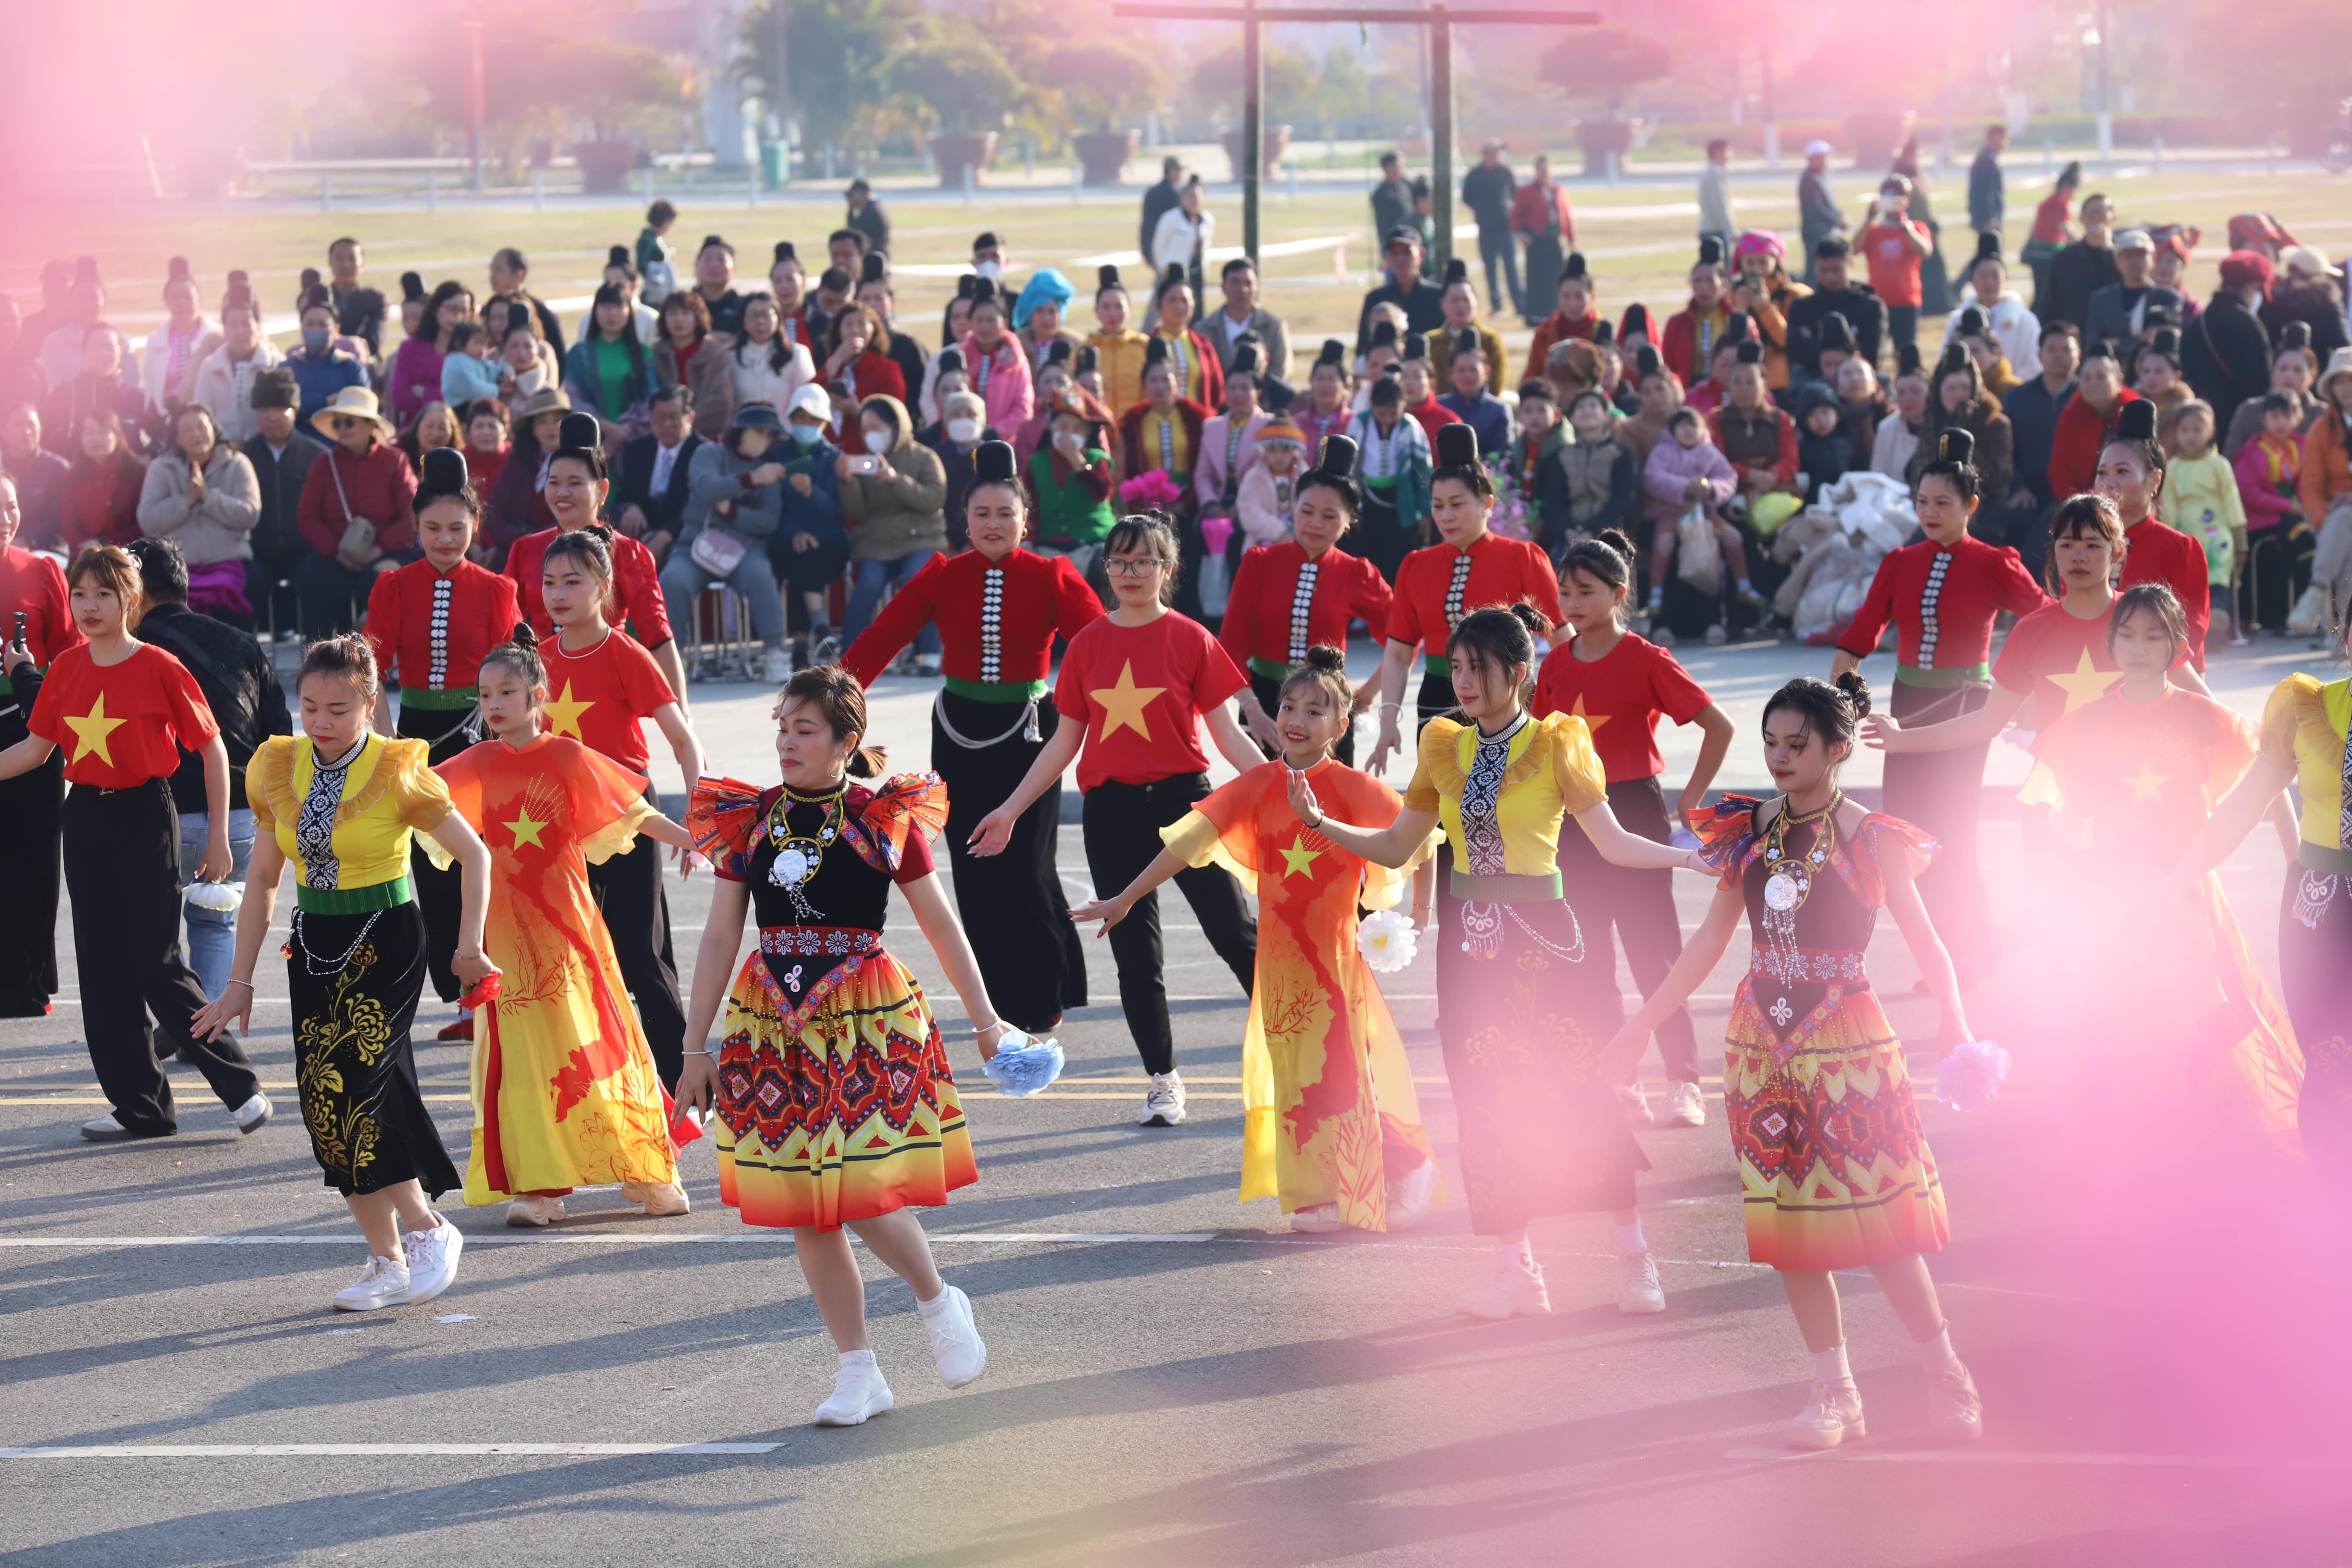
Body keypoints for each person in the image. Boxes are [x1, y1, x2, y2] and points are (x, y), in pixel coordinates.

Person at [1615, 673, 1984, 1449]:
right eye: (1771, 743)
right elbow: (1710, 943)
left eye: (1796, 744)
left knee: (1884, 1227)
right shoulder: (1746, 828)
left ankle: (1945, 1370)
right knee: (1791, 1229)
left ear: (1837, 748)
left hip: (1849, 1043)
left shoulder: (1872, 836)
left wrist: (1957, 1015)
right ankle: (1835, 1394)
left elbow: (1926, 937)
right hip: (1761, 1046)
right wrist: (1641, 1028)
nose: (1779, 757)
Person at [1301, 602, 1700, 1314]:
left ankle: (1634, 1255)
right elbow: (1399, 845)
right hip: (1470, 947)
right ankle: (1517, 1268)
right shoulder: (1441, 745)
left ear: (1519, 673)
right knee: (1485, 1100)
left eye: (1477, 667)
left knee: (1580, 1090)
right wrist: (1323, 824)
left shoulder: (1556, 743)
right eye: (1455, 666)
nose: (1462, 680)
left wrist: (1691, 860)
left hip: (1548, 940)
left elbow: (1611, 843)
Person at [676, 668, 997, 1425]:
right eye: (782, 728)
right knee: (805, 1206)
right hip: (772, 1021)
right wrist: (695, 1046)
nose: (787, 742)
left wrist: (987, 1020)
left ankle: (937, 1299)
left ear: (847, 742)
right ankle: (859, 1370)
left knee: (856, 1186)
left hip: (866, 1018)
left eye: (805, 730)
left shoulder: (885, 816)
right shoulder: (747, 819)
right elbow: (722, 934)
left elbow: (943, 923)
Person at [1075, 643, 1440, 1233]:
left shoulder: (1352, 789)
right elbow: (1185, 845)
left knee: (1336, 1074)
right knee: (1295, 1077)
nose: (1297, 720)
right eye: (1288, 706)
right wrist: (1126, 897)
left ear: (1340, 726)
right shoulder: (1258, 784)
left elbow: (1421, 839)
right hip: (1279, 964)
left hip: (1334, 962)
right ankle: (1315, 1194)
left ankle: (1406, 1164)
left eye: (1315, 712)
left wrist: (1416, 918)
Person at [192, 632, 490, 1309]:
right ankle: (386, 1261)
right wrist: (239, 981)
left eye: (338, 710)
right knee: (324, 1105)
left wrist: (467, 946)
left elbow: (476, 856)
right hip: (316, 940)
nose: (321, 723)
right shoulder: (277, 765)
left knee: (357, 1090)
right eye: (310, 706)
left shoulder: (397, 768)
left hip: (388, 938)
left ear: (369, 703)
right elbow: (264, 878)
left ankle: (426, 1229)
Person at [969, 513, 1260, 1126]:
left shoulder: (1190, 638)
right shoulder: (1090, 645)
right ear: (1107, 570)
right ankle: (1162, 1081)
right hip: (1111, 814)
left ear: (1167, 569)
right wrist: (1010, 810)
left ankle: (1297, 1051)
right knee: (1135, 954)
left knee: (1235, 933)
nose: (1132, 573)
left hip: (1188, 805)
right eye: (1121, 562)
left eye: (1145, 561)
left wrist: (1283, 789)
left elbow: (1228, 736)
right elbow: (1062, 744)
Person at [2029, 584, 2303, 1170]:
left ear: (2179, 644)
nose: (2139, 646)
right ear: (2109, 641)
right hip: (2110, 890)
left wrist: (2295, 855)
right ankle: (2127, 1145)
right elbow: (2067, 813)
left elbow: (2263, 785)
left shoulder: (2208, 719)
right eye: (2127, 633)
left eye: (2155, 635)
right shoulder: (2087, 722)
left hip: (2184, 886)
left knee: (2198, 1011)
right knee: (2117, 1012)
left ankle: (2207, 1147)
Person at [0, 544, 269, 1142]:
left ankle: (240, 1086)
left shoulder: (160, 665)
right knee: (102, 970)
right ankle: (142, 1107)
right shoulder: (66, 667)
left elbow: (213, 749)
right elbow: (35, 750)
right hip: (87, 820)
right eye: (81, 595)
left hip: (148, 815)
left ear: (133, 600)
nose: (90, 606)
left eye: (104, 594)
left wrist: (221, 835)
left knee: (157, 962)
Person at [432, 626, 692, 1223]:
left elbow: (638, 813)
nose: (494, 704)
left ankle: (650, 1170)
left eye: (507, 692)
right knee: (524, 1060)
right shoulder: (477, 762)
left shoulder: (568, 755)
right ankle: (539, 1188)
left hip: (568, 931)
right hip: (506, 939)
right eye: (485, 694)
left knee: (601, 1043)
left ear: (538, 696)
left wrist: (699, 840)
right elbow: (414, 797)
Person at [841, 440, 1102, 1031]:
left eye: (1005, 514)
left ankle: (1045, 994)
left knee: (1028, 867)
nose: (993, 524)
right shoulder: (942, 574)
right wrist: (837, 696)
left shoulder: (1050, 575)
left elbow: (1099, 645)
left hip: (1030, 734)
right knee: (974, 867)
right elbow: (884, 638)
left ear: (1025, 521)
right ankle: (997, 1002)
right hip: (958, 733)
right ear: (965, 520)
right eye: (981, 514)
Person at [1530, 531, 1732, 1128]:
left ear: (1618, 594)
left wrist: (1691, 800)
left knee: (1655, 957)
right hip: (1574, 821)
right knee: (1587, 960)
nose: (1571, 602)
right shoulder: (1556, 664)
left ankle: (1683, 1083)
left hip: (1636, 811)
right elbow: (1540, 746)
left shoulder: (1646, 657)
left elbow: (1717, 726)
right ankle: (1618, 1082)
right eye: (1564, 592)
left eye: (1585, 592)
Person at [1833, 428, 2046, 983]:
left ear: (1971, 507)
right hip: (1905, 709)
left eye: (1943, 503)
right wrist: (1846, 701)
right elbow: (1857, 639)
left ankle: (1973, 955)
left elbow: (2045, 620)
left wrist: (2019, 691)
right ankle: (1943, 958)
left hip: (1966, 708)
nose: (1929, 512)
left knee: (1954, 841)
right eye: (1922, 502)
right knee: (1906, 844)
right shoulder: (1900, 562)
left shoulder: (1995, 562)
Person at [2168, 605, 2352, 1173]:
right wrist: (2175, 879)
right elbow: (2245, 803)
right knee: (2329, 1063)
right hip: (2319, 911)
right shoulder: (2308, 705)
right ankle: (2331, 1201)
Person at [536, 519, 706, 1093]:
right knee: (571, 957)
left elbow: (683, 740)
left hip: (627, 817)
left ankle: (688, 1081)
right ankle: (593, 1081)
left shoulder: (627, 654)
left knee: (638, 952)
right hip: (561, 824)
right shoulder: (536, 659)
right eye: (550, 583)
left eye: (573, 581)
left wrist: (698, 821)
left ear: (604, 585)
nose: (559, 594)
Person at [363, 448, 523, 1027]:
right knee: (430, 870)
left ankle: (491, 985)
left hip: (481, 737)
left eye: (457, 528)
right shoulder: (393, 586)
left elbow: (512, 674)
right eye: (432, 528)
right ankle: (460, 995)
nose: (445, 539)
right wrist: (389, 745)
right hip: (416, 739)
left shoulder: (498, 589)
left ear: (476, 526)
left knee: (486, 863)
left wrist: (504, 733)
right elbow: (371, 674)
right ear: (415, 528)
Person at [122, 536, 286, 1002]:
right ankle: (209, 1029)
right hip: (237, 814)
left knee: (149, 934)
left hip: (158, 811)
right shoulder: (241, 642)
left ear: (136, 593)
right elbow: (278, 732)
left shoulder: (130, 651)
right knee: (216, 926)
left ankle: (171, 1021)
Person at [1367, 421, 1565, 767]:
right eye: (1438, 505)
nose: (1446, 516)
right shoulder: (1416, 565)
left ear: (1487, 503)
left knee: (1509, 809)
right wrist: (1388, 723)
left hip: (1507, 703)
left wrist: (1565, 711)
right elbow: (1399, 654)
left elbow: (1563, 639)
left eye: (1457, 504)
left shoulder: (1523, 557)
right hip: (1437, 702)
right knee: (1444, 813)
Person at [1220, 435, 1390, 768]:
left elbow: (1404, 637)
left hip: (1329, 708)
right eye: (1307, 511)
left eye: (1329, 516)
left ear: (1348, 521)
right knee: (1265, 809)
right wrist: (1252, 709)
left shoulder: (1356, 572)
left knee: (1332, 811)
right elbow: (1230, 646)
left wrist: (1368, 694)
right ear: (1293, 508)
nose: (1315, 523)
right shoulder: (1260, 562)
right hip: (1265, 706)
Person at [504, 410, 685, 695]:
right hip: (541, 695)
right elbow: (506, 634)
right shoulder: (526, 550)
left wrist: (683, 721)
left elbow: (658, 637)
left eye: (575, 484)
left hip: (608, 690)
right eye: (554, 482)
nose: (562, 492)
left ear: (602, 490)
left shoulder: (628, 553)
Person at [0, 475, 78, 1015]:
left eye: (12, 504)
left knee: (35, 858)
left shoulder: (44, 568)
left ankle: (26, 982)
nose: (6, 515)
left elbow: (72, 650)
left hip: (34, 728)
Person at [2099, 399, 2214, 668]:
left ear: (2155, 480)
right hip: (2094, 673)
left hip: (2167, 678)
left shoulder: (2180, 548)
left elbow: (2192, 629)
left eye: (2123, 472)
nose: (2108, 482)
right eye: (2102, 473)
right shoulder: (2085, 546)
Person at [292, 386, 412, 634]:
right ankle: (319, 659)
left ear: (371, 426)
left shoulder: (395, 460)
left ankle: (378, 662)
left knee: (382, 580)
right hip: (335, 552)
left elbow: (413, 514)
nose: (342, 428)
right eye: (338, 423)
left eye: (349, 422)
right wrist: (338, 552)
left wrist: (379, 549)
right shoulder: (323, 464)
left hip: (385, 550)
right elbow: (307, 517)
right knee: (317, 581)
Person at [838, 393, 948, 662]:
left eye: (876, 427)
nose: (870, 435)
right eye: (865, 429)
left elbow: (934, 500)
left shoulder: (925, 457)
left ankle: (931, 652)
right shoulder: (867, 462)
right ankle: (849, 657)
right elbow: (856, 513)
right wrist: (848, 483)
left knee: (919, 579)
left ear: (896, 425)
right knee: (868, 585)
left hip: (922, 538)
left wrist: (896, 480)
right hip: (879, 543)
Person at [136, 403, 259, 628]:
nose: (196, 434)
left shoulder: (238, 464)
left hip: (228, 561)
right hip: (178, 566)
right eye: (188, 430)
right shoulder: (161, 468)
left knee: (228, 605)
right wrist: (187, 502)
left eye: (202, 427)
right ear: (177, 438)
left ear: (214, 430)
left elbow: (250, 514)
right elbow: (148, 520)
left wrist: (209, 498)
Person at [1641, 406, 1747, 645]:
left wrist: (1711, 489)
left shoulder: (1710, 453)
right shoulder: (1663, 452)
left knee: (1730, 539)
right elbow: (1653, 478)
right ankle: (1659, 610)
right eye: (1682, 426)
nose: (1688, 431)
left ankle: (1738, 593)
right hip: (1669, 513)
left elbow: (1728, 478)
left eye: (1693, 425)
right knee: (1665, 545)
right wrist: (1685, 487)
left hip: (1705, 516)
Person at [241, 371, 323, 637]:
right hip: (258, 553)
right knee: (246, 583)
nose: (273, 417)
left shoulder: (317, 456)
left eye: (280, 409)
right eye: (265, 410)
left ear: (296, 411)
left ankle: (320, 657)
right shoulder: (243, 457)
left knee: (320, 580)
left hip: (305, 550)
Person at [2161, 401, 2246, 638]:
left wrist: (2241, 542)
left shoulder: (2220, 465)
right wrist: (2169, 538)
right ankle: (2193, 629)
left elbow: (2232, 503)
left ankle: (2218, 623)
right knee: (2189, 584)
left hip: (2219, 537)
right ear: (2176, 433)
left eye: (2197, 430)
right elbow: (2169, 507)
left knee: (2218, 581)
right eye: (2185, 430)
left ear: (2210, 431)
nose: (2191, 436)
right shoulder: (2173, 469)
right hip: (2186, 537)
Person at [1908, 345, 2015, 523]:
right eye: (1951, 388)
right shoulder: (1932, 424)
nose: (1959, 395)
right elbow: (1917, 473)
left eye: (1965, 388)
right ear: (1938, 393)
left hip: (1982, 511)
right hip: (1931, 508)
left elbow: (1997, 480)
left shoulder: (1995, 424)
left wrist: (1964, 431)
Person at [1343, 374, 1431, 585]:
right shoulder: (1359, 423)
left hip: (1402, 502)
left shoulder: (1411, 428)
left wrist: (1426, 513)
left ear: (1404, 405)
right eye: (1381, 414)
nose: (1387, 420)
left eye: (1393, 414)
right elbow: (1349, 466)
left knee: (1397, 561)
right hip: (1366, 501)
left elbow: (1423, 471)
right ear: (1372, 405)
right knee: (1367, 557)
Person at [2292, 348, 2352, 633]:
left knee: (2345, 523)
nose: (2345, 388)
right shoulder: (2321, 429)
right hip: (2331, 518)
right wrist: (2324, 522)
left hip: (2342, 516)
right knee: (2343, 530)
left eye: (2350, 379)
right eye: (2339, 382)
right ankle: (2344, 633)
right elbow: (2311, 487)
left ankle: (2317, 592)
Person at [2184, 251, 2277, 429]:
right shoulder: (2250, 325)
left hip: (2199, 424)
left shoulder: (2197, 323)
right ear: (2251, 287)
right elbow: (2261, 384)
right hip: (2241, 424)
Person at [614, 387, 704, 564]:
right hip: (642, 527)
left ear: (690, 418)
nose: (667, 424)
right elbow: (625, 493)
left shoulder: (703, 452)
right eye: (660, 417)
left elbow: (698, 505)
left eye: (674, 417)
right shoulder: (638, 449)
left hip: (684, 534)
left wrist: (666, 535)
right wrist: (631, 507)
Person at [2046, 339, 2139, 502]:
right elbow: (2059, 471)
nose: (2093, 383)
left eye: (2101, 377)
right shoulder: (2072, 415)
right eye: (2087, 378)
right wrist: (2076, 505)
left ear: (2119, 380)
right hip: (2078, 504)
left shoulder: (2135, 413)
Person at [1785, 239, 1887, 384]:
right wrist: (1851, 344)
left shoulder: (1870, 306)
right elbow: (1796, 354)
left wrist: (1814, 342)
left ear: (1850, 264)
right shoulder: (1802, 307)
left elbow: (1872, 355)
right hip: (1813, 387)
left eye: (1836, 270)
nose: (1830, 277)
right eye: (1823, 270)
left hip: (1858, 384)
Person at [43, 324, 150, 461]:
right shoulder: (65, 395)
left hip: (126, 477)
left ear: (120, 351)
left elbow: (162, 433)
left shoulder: (135, 396)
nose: (104, 354)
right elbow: (42, 433)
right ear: (84, 350)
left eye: (110, 348)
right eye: (97, 348)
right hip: (76, 477)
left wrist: (148, 458)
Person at [560, 285, 652, 438]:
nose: (612, 313)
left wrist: (625, 430)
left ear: (630, 310)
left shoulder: (644, 352)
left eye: (618, 306)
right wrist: (606, 427)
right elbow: (572, 399)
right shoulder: (579, 353)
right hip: (590, 436)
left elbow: (651, 398)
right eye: (605, 307)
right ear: (595, 311)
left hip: (635, 438)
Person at [1860, 177, 1932, 362]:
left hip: (1907, 302)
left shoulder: (1916, 227)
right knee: (1873, 354)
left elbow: (1924, 250)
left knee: (1906, 355)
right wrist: (1869, 218)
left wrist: (1905, 226)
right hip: (1878, 302)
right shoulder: (1873, 230)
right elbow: (1853, 249)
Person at [388, 281, 474, 430]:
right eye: (452, 309)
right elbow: (400, 398)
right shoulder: (410, 348)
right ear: (436, 309)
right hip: (416, 432)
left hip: (460, 433)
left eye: (465, 311)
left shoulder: (475, 352)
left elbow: (474, 400)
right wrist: (454, 397)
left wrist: (425, 393)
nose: (459, 317)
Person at [652, 289, 734, 443]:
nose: (679, 320)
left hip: (705, 437)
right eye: (673, 314)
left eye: (686, 313)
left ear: (698, 318)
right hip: (662, 436)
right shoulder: (656, 352)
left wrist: (683, 428)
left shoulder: (714, 352)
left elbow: (719, 402)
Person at [61, 408, 149, 551]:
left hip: (128, 552)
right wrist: (87, 547)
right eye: (89, 433)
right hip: (84, 553)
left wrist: (103, 543)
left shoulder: (136, 472)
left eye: (102, 432)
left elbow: (143, 525)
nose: (96, 439)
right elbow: (68, 526)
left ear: (117, 436)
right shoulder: (73, 476)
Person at [141, 256, 217, 419]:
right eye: (175, 298)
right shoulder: (156, 341)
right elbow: (150, 389)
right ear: (166, 302)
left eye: (187, 297)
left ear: (199, 300)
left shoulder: (216, 338)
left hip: (208, 417)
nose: (181, 303)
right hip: (167, 418)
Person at [2084, 229, 2184, 354]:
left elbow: (2165, 339)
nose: (2135, 261)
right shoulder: (2101, 300)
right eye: (2128, 256)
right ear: (2117, 262)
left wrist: (2116, 342)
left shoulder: (2168, 298)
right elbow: (2094, 345)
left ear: (2153, 258)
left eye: (2141, 255)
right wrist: (2138, 340)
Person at [2042, 193, 2121, 342]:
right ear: (2082, 220)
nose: (2097, 218)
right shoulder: (2064, 259)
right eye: (2092, 213)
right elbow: (2049, 304)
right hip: (2076, 339)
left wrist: (2109, 252)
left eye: (2102, 213)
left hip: (2114, 339)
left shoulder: (2125, 256)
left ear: (2113, 218)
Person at [1356, 230, 1446, 357]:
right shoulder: (1376, 299)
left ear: (1421, 255)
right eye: (1395, 253)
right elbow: (1363, 347)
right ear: (1387, 258)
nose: (1401, 259)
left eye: (1407, 253)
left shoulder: (1438, 297)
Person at [1199, 257, 1289, 384]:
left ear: (1257, 287)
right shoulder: (1205, 328)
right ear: (1223, 287)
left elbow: (1280, 371)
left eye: (1249, 283)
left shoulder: (1274, 327)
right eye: (1236, 283)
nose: (1243, 289)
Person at [1510, 155, 1576, 329]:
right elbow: (1515, 216)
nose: (1544, 173)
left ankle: (1555, 311)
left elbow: (1567, 216)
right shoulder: (1526, 192)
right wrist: (1521, 234)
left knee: (1557, 276)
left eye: (1547, 169)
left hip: (1554, 240)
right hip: (1536, 241)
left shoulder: (1558, 190)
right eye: (1541, 170)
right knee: (1536, 279)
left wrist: (1571, 241)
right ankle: (1534, 315)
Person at [727, 291, 817, 418]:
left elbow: (808, 399)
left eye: (767, 315)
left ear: (779, 319)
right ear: (744, 321)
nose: (760, 321)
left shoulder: (798, 354)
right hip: (744, 432)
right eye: (753, 315)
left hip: (785, 432)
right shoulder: (730, 356)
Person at [287, 295, 368, 424]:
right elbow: (286, 408)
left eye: (322, 325)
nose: (316, 330)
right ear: (301, 328)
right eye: (310, 324)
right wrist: (328, 401)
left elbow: (362, 405)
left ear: (337, 329)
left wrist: (305, 402)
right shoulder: (289, 369)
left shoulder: (351, 367)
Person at [1464, 139, 1522, 318]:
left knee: (1511, 269)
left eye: (1498, 153)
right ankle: (1496, 305)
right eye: (1493, 153)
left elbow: (1515, 193)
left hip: (1506, 228)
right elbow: (1467, 197)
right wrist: (1481, 209)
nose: (1496, 156)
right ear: (1486, 154)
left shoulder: (1506, 172)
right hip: (1486, 229)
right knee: (1490, 270)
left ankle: (1520, 304)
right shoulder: (1475, 174)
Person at [2263, 248, 2350, 364]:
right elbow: (2342, 346)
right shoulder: (2329, 305)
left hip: (2279, 374)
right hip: (2318, 374)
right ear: (2316, 275)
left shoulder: (2270, 302)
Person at [3, 404, 72, 551]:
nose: (27, 432)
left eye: (32, 425)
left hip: (46, 547)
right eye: (18, 425)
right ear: (4, 431)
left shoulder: (57, 467)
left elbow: (59, 519)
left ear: (41, 430)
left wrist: (26, 539)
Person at [2023, 160, 2080, 308]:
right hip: (2048, 253)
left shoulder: (2047, 202)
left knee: (2040, 293)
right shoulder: (2061, 204)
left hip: (2037, 251)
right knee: (2045, 295)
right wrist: (2084, 245)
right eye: (2074, 189)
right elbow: (2066, 229)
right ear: (2067, 187)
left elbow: (2034, 228)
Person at [1440, 341, 1511, 458]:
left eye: (1474, 370)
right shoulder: (1439, 407)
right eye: (1461, 370)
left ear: (1487, 371)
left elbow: (1503, 454)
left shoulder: (1499, 410)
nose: (1467, 376)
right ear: (1451, 374)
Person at [1796, 141, 1844, 285]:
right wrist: (1836, 220)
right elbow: (1816, 208)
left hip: (1824, 229)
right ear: (1813, 158)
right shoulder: (1810, 178)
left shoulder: (1819, 175)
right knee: (1815, 267)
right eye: (1823, 157)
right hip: (1815, 231)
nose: (1827, 160)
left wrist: (1839, 215)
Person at [1698, 139, 1737, 263]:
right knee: (1722, 272)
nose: (1732, 155)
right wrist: (1732, 230)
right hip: (1716, 230)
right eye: (1729, 151)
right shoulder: (1715, 174)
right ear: (1717, 153)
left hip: (1712, 228)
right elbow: (1720, 206)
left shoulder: (1712, 172)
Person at [1967, 124, 2006, 242]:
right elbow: (1985, 192)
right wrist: (1991, 217)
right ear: (1996, 138)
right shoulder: (1987, 160)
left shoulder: (1987, 157)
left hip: (1985, 216)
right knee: (1991, 251)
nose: (2006, 144)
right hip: (1988, 218)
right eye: (2005, 139)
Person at [1369, 152, 1414, 251]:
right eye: (1397, 166)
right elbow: (1384, 223)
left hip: (1410, 237)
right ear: (1387, 168)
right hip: (1392, 242)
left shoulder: (1405, 185)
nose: (1400, 170)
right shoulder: (1381, 193)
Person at [636, 201, 678, 305]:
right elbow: (641, 266)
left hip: (665, 291)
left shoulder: (657, 238)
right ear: (666, 221)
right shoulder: (647, 239)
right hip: (654, 293)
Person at [845, 178, 891, 260]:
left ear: (862, 194)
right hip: (877, 255)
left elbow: (855, 232)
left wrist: (851, 208)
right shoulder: (872, 207)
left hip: (874, 256)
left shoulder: (871, 211)